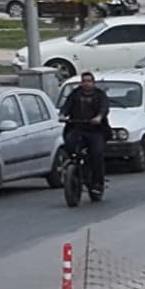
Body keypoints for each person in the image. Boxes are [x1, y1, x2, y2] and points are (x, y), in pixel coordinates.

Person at [56, 70, 115, 203]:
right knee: (69, 145)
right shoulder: (75, 94)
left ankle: (97, 184)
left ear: (93, 83)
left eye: (89, 81)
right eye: (84, 81)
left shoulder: (100, 95)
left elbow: (104, 108)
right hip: (77, 128)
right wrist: (62, 115)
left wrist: (99, 117)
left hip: (96, 131)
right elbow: (66, 106)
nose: (86, 84)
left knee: (97, 154)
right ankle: (71, 169)